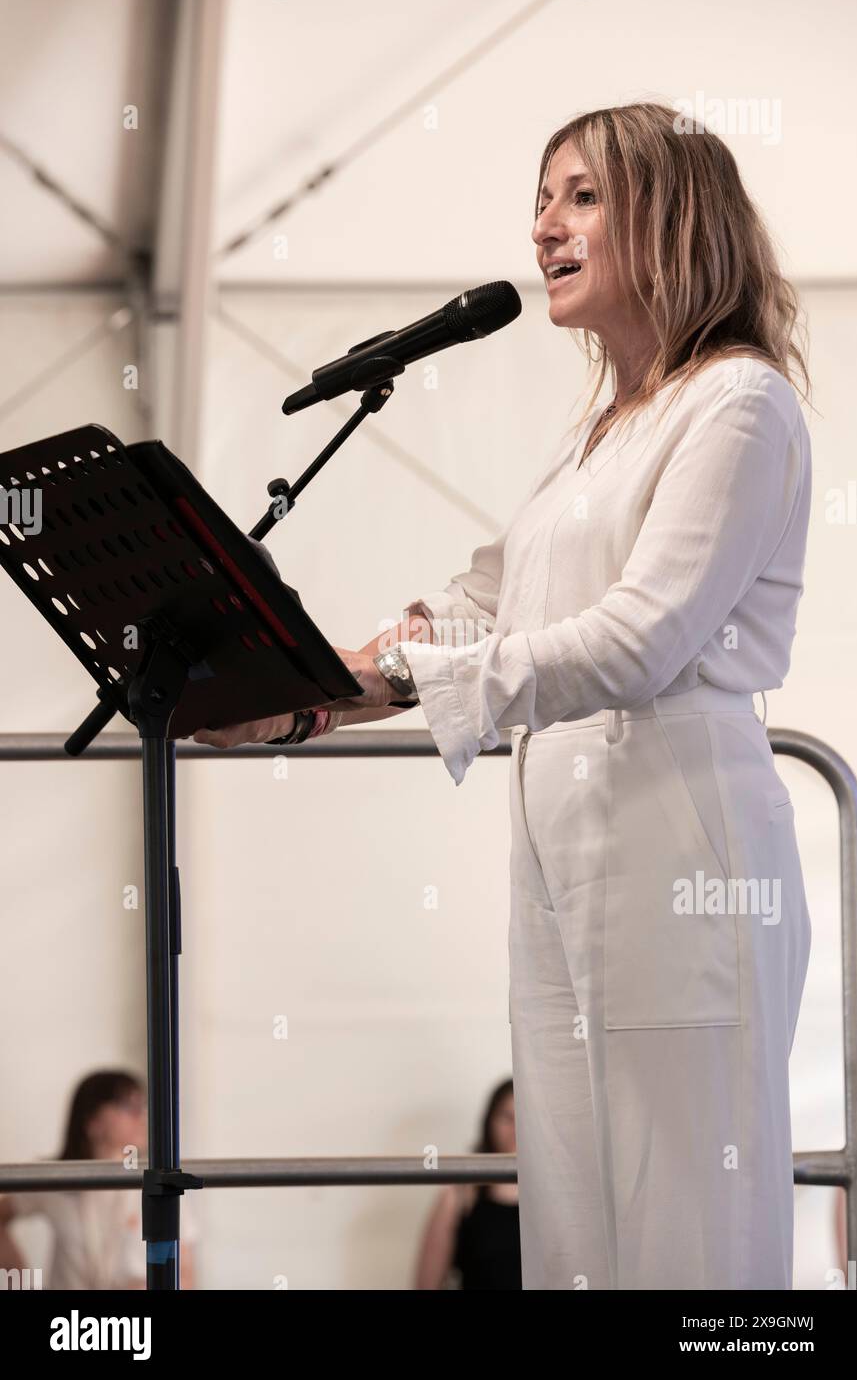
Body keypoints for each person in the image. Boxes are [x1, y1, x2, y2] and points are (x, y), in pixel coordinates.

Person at [193, 102, 813, 1291]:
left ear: (674, 217)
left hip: (683, 857)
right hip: (564, 865)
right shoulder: (598, 433)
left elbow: (641, 639)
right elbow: (485, 606)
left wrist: (428, 671)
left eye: (583, 194)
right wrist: (303, 698)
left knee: (689, 1233)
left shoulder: (738, 403)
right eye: (541, 196)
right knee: (573, 1229)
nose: (545, 224)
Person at [0, 1069, 197, 1289]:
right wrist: (17, 1279)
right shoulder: (55, 1179)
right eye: (128, 1106)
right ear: (92, 1120)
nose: (141, 1115)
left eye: (142, 1105)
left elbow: (186, 1275)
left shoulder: (159, 1181)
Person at [414, 1079, 520, 1290]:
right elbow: (427, 1284)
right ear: (490, 1121)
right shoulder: (460, 1194)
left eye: (525, 1117)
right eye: (507, 1117)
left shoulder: (558, 1194)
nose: (516, 1128)